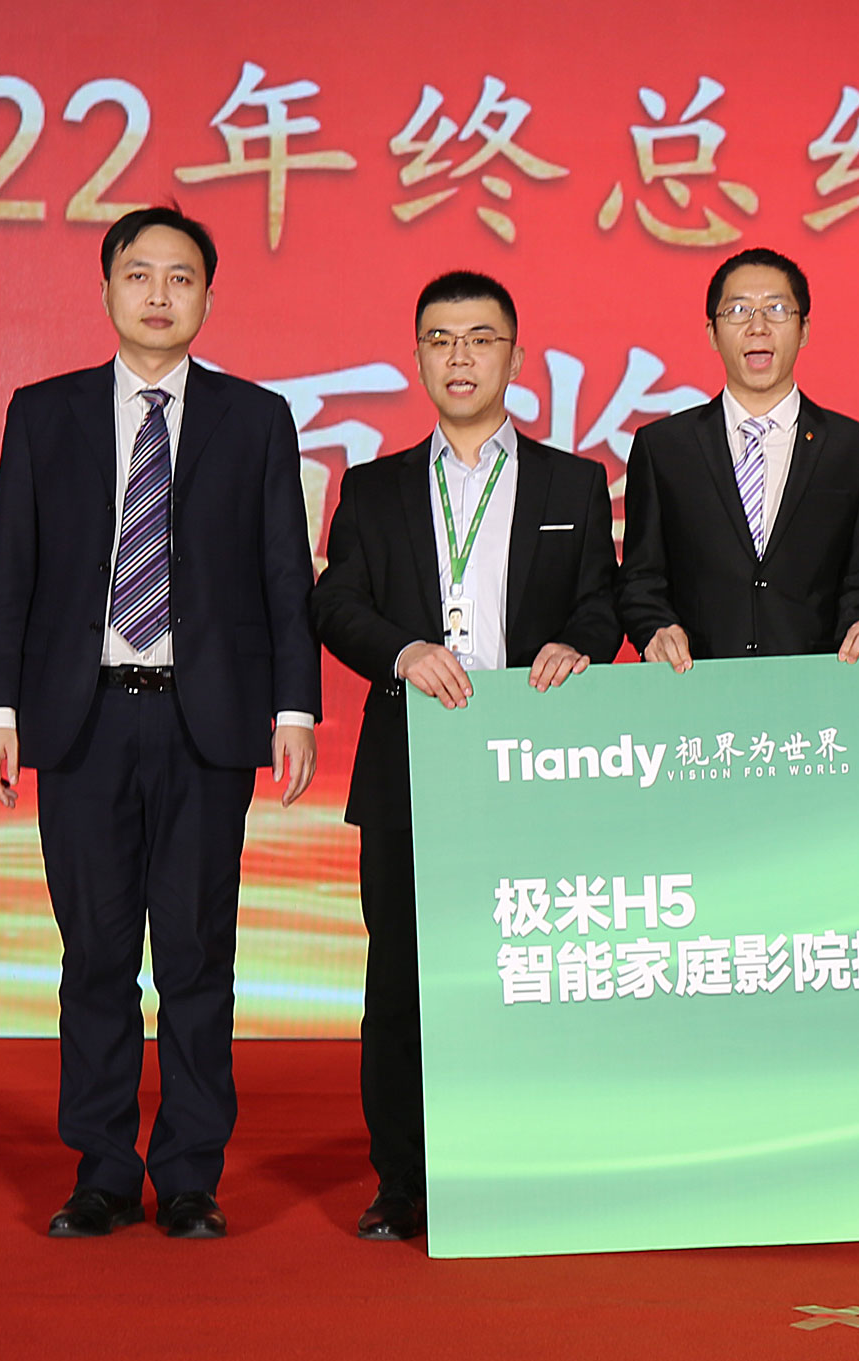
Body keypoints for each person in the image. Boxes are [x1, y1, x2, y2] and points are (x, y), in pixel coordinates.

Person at [0, 205, 320, 1240]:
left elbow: (283, 577)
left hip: (204, 726)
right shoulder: (45, 414)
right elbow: (11, 571)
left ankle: (192, 1173)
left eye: (181, 277)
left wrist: (294, 709)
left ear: (208, 296)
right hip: (81, 722)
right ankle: (104, 1169)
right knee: (94, 954)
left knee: (197, 956)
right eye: (139, 274)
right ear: (106, 290)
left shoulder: (255, 419)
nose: (159, 294)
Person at [311, 271, 619, 1241]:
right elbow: (334, 601)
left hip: (532, 768)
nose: (460, 356)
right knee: (402, 982)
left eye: (481, 338)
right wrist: (401, 650)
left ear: (514, 358)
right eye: (441, 339)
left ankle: (524, 1165)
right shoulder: (375, 487)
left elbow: (601, 602)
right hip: (412, 765)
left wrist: (579, 644)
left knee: (529, 973)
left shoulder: (573, 482)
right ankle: (402, 1181)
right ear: (417, 356)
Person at [617, 247, 859, 666]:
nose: (758, 326)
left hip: (818, 683)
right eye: (738, 311)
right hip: (694, 682)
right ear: (712, 333)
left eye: (777, 309)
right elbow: (641, 577)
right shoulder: (664, 448)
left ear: (803, 329)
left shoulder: (855, 450)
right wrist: (654, 629)